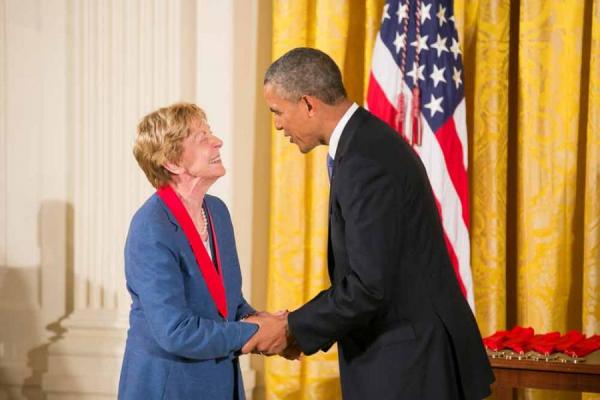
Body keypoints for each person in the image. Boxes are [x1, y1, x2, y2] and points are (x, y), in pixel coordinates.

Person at [254, 48, 495, 399]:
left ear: (308, 104)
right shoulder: (365, 142)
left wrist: (293, 329)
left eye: (278, 112)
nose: (277, 125)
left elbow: (368, 287)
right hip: (405, 357)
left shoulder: (365, 159)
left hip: (410, 366)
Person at [118, 103, 262, 399]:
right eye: (201, 137)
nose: (217, 141)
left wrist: (265, 321)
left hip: (220, 380)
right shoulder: (151, 226)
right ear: (172, 162)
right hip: (171, 386)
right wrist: (257, 333)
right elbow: (176, 331)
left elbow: (226, 304)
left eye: (210, 133)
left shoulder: (217, 212)